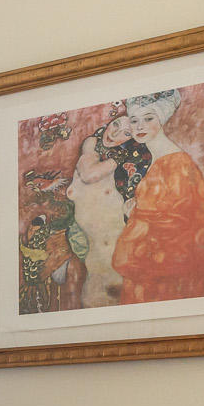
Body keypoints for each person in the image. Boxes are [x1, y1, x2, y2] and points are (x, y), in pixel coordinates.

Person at [109, 90, 204, 303]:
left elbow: (180, 216)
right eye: (134, 121)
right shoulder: (158, 157)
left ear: (161, 120)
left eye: (148, 118)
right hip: (156, 256)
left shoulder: (175, 162)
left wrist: (134, 212)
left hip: (172, 261)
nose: (140, 126)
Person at [67, 107, 149, 307]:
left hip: (115, 241)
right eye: (115, 125)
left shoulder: (126, 169)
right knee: (97, 292)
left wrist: (129, 211)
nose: (114, 133)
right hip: (95, 246)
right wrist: (122, 155)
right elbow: (88, 175)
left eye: (126, 133)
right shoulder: (93, 145)